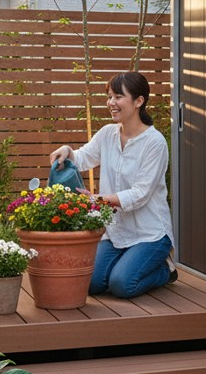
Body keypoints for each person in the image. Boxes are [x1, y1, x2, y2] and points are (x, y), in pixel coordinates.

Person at [49, 72, 175, 298]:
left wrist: (97, 200)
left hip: (150, 233)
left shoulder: (155, 143)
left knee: (122, 285)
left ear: (139, 101)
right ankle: (129, 262)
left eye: (118, 97)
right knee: (92, 284)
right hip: (117, 231)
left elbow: (139, 194)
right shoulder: (108, 133)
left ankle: (166, 270)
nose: (111, 103)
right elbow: (83, 157)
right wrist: (67, 151)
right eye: (109, 97)